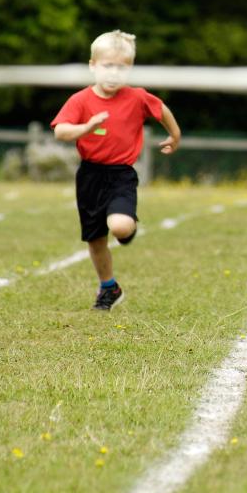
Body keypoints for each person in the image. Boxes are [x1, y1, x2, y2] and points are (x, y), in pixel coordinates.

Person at [51, 30, 181, 311]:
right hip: (89, 176)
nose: (113, 74)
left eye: (121, 67)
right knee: (96, 239)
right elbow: (61, 131)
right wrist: (84, 128)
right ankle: (109, 287)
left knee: (119, 227)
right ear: (92, 65)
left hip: (121, 174)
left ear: (130, 69)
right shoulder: (80, 101)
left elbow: (161, 110)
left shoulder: (137, 97)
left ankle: (126, 227)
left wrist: (175, 134)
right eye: (107, 66)